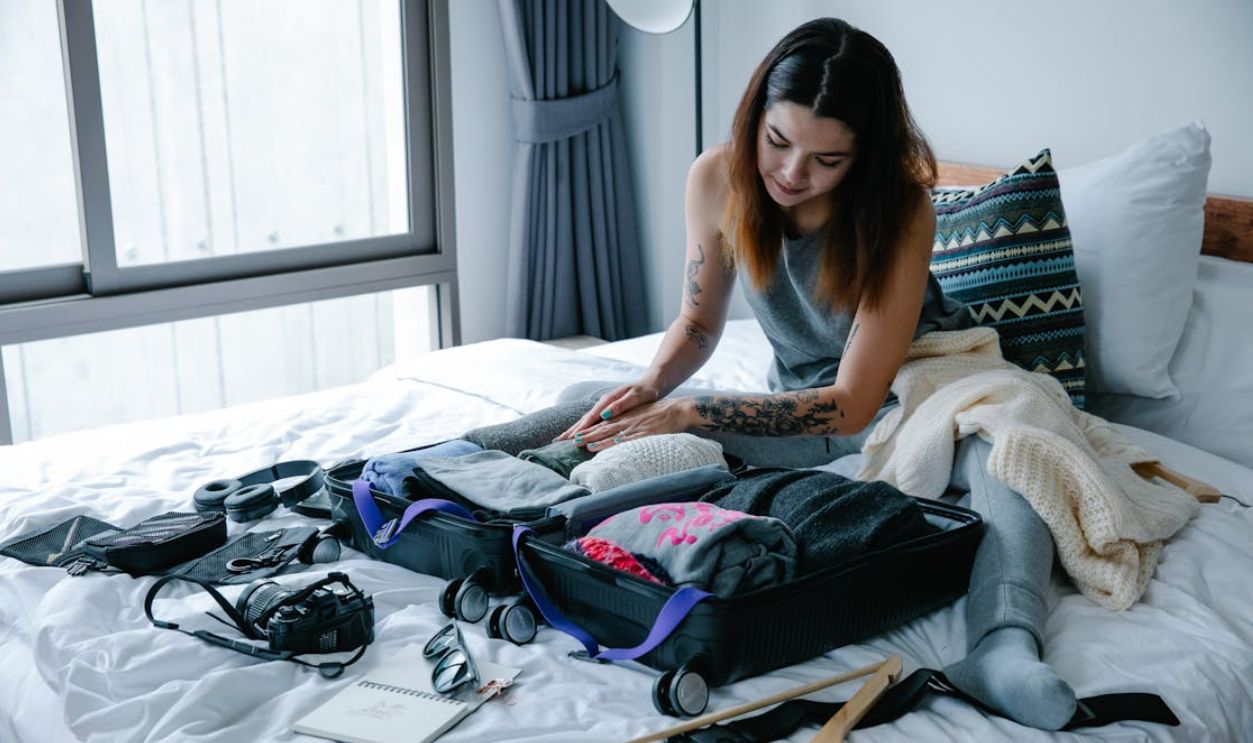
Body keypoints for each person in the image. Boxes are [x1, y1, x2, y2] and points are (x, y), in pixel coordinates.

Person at [554, 17, 1078, 730]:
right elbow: (699, 324)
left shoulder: (899, 210)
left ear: (861, 157)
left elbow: (856, 404)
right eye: (777, 142)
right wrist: (650, 390)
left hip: (915, 388)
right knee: (593, 403)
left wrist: (690, 413)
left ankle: (1003, 646)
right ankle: (499, 500)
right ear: (754, 120)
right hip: (804, 405)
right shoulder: (715, 178)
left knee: (1010, 450)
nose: (792, 174)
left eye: (825, 160)